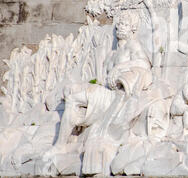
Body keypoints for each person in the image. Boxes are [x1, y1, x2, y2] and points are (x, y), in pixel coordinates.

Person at [52, 10, 153, 150]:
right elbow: (101, 80)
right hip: (105, 92)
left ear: (133, 28)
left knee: (73, 96)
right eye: (119, 24)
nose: (119, 27)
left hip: (115, 97)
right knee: (70, 91)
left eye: (124, 24)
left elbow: (144, 63)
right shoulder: (111, 54)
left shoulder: (133, 45)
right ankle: (65, 140)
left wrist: (120, 68)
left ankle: (60, 145)